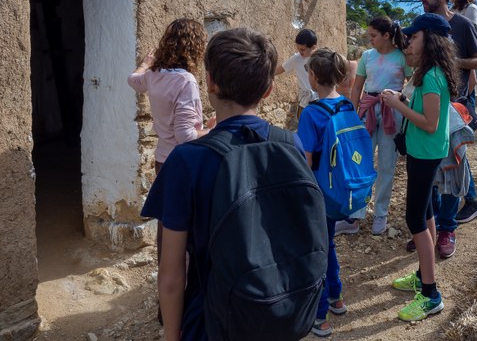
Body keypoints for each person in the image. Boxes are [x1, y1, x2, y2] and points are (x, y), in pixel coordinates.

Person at [140, 28, 306, 341]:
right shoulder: (290, 144)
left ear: (210, 82)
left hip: (214, 317)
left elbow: (173, 273)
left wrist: (171, 337)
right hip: (280, 305)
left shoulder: (186, 161)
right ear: (268, 90)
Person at [380, 13, 460, 322]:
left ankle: (430, 295)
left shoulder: (430, 76)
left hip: (425, 152)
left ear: (430, 38)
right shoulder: (429, 72)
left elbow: (429, 123)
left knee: (415, 217)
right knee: (426, 213)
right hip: (421, 151)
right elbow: (426, 112)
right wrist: (401, 98)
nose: (409, 41)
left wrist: (396, 105)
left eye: (414, 36)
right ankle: (422, 275)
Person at [127, 18, 210, 286]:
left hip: (163, 160)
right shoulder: (185, 81)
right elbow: (186, 136)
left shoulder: (153, 76)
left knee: (168, 231)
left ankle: (168, 300)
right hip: (184, 165)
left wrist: (146, 62)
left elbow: (133, 80)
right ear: (195, 48)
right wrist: (216, 128)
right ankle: (187, 298)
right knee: (189, 234)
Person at [419, 0, 477, 256]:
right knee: (428, 171)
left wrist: (451, 62)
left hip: (454, 107)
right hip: (425, 105)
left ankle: (447, 229)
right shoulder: (422, 26)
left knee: (449, 170)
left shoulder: (462, 24)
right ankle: (428, 230)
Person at [335, 17, 411, 236]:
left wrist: (399, 99)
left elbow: (410, 85)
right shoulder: (367, 56)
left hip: (391, 112)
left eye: (373, 35)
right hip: (367, 112)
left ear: (386, 35)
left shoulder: (402, 57)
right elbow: (357, 87)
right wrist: (351, 116)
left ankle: (381, 214)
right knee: (360, 162)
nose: (370, 39)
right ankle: (355, 215)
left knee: (387, 164)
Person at [297, 48, 353, 337]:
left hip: (319, 190)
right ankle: (337, 297)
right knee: (328, 243)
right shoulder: (346, 104)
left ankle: (320, 317)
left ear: (314, 76)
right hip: (341, 188)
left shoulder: (311, 114)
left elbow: (306, 161)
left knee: (317, 249)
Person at [450, 0, 477, 108]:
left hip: (471, 54)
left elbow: (471, 34)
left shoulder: (471, 9)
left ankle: (470, 121)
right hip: (457, 54)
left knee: (468, 92)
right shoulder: (452, 9)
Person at [274, 28, 318, 119]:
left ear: (313, 47)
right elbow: (280, 69)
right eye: (298, 48)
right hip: (304, 100)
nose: (300, 52)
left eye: (302, 49)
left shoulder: (321, 59)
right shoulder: (296, 59)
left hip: (319, 99)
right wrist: (265, 73)